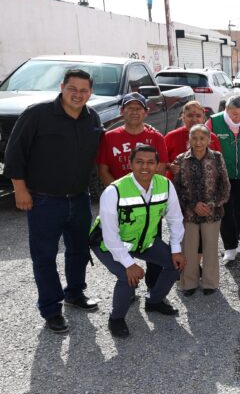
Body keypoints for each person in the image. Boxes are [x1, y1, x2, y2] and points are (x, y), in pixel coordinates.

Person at [4, 69, 103, 333]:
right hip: (44, 201)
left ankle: (75, 293)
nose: (78, 94)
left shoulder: (92, 118)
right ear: (62, 87)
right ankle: (51, 309)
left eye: (84, 90)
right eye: (73, 88)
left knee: (79, 250)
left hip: (79, 199)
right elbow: (14, 153)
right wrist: (20, 189)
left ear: (90, 93)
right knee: (44, 256)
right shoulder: (37, 115)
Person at [90, 145, 186, 338]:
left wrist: (176, 249)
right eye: (140, 162)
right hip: (109, 244)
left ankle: (154, 301)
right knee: (128, 277)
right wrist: (129, 264)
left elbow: (175, 219)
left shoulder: (165, 185)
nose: (145, 167)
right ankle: (116, 319)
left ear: (158, 165)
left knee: (174, 264)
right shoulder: (114, 191)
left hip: (143, 241)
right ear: (130, 164)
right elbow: (110, 235)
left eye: (151, 162)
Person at [97, 92, 169, 291]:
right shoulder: (110, 137)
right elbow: (103, 170)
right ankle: (128, 287)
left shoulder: (155, 137)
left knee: (152, 244)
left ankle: (153, 291)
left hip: (148, 203)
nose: (134, 112)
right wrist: (120, 196)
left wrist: (146, 195)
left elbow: (162, 166)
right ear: (122, 111)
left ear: (146, 112)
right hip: (123, 205)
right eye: (130, 108)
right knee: (122, 244)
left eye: (139, 108)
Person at [173, 125, 230, 296]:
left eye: (202, 138)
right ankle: (189, 283)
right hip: (189, 213)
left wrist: (211, 205)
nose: (198, 142)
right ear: (188, 139)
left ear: (209, 140)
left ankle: (210, 283)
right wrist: (193, 205)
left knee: (210, 247)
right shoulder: (181, 160)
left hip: (212, 213)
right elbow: (176, 189)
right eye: (194, 138)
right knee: (188, 248)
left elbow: (225, 187)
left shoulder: (217, 158)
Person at [208, 95, 240, 264]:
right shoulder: (213, 121)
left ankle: (236, 239)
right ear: (226, 110)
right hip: (222, 175)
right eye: (234, 114)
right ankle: (229, 247)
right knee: (226, 210)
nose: (238, 118)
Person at [165, 101, 221, 179]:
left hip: (206, 186)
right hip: (176, 186)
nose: (194, 119)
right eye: (190, 115)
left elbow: (219, 164)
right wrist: (170, 167)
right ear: (183, 117)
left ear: (203, 118)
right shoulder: (171, 137)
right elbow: (160, 162)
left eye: (198, 116)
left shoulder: (212, 138)